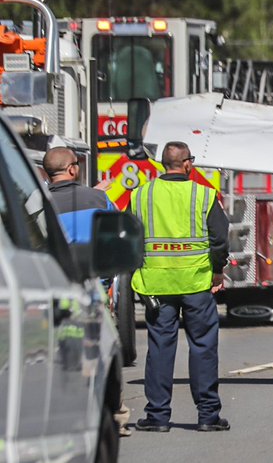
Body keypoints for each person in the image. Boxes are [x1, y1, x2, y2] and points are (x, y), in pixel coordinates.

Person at [129, 142, 230, 432]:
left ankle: (158, 417)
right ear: (186, 164)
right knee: (203, 346)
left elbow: (129, 236)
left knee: (160, 347)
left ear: (163, 164)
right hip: (196, 283)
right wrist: (217, 271)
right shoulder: (203, 195)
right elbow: (220, 239)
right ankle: (208, 416)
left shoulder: (140, 196)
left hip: (156, 284)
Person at [44, 147, 134, 437]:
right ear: (72, 169)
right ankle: (116, 418)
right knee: (103, 353)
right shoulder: (98, 198)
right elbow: (116, 233)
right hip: (94, 290)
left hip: (53, 293)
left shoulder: (37, 202)